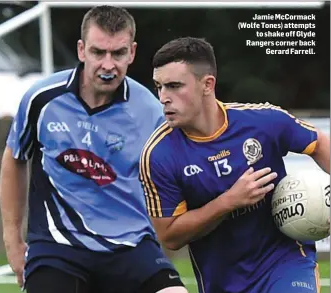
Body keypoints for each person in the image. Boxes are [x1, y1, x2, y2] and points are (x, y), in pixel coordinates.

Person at [0, 5, 188, 293]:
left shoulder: (152, 110)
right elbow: (15, 159)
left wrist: (162, 251)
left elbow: (169, 183)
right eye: (99, 52)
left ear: (132, 53)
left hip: (131, 246)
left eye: (118, 53)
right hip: (57, 247)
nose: (108, 65)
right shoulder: (41, 99)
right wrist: (13, 241)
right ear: (81, 50)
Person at [139, 36, 330, 293]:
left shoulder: (262, 122)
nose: (163, 97)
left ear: (207, 84)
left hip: (286, 262)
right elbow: (170, 236)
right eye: (159, 87)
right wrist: (228, 202)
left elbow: (319, 142)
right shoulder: (158, 154)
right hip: (223, 281)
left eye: (174, 86)